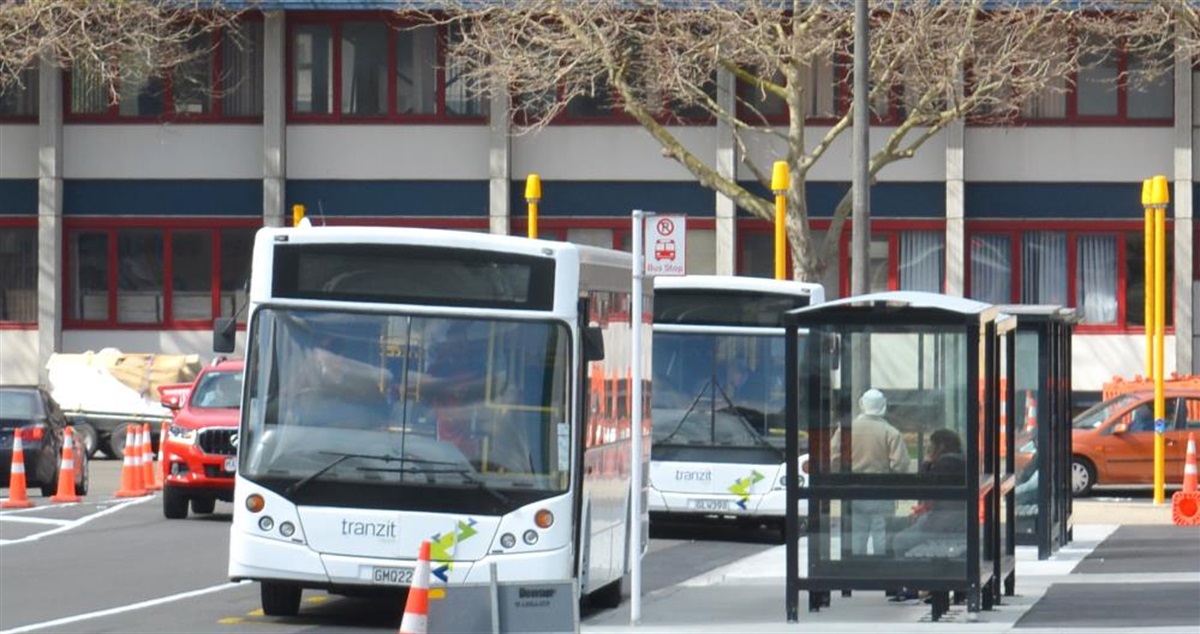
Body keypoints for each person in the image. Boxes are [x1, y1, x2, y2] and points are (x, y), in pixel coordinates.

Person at [889, 428, 968, 602]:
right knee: (913, 528)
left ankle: (909, 588)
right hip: (957, 519)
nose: (929, 449)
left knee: (899, 541)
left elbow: (924, 489)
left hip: (944, 521)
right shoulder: (962, 461)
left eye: (931, 445)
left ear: (940, 446)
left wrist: (926, 463)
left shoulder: (945, 464)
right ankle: (929, 587)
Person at [830, 388, 912, 555]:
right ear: (883, 405)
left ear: (862, 405)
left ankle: (857, 568)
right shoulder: (891, 432)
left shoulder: (846, 430)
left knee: (858, 536)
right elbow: (900, 464)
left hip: (854, 490)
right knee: (881, 535)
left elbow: (834, 459)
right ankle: (880, 570)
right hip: (882, 491)